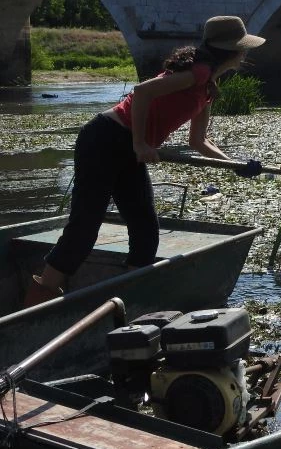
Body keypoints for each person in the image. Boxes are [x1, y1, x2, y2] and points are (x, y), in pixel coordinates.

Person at [24, 16, 265, 307]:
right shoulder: (197, 73)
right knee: (85, 227)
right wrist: (140, 142)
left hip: (128, 149)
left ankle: (126, 300)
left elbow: (198, 141)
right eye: (243, 48)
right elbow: (142, 93)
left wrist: (234, 164)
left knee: (145, 231)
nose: (245, 54)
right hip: (104, 139)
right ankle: (39, 299)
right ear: (233, 51)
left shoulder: (208, 88)